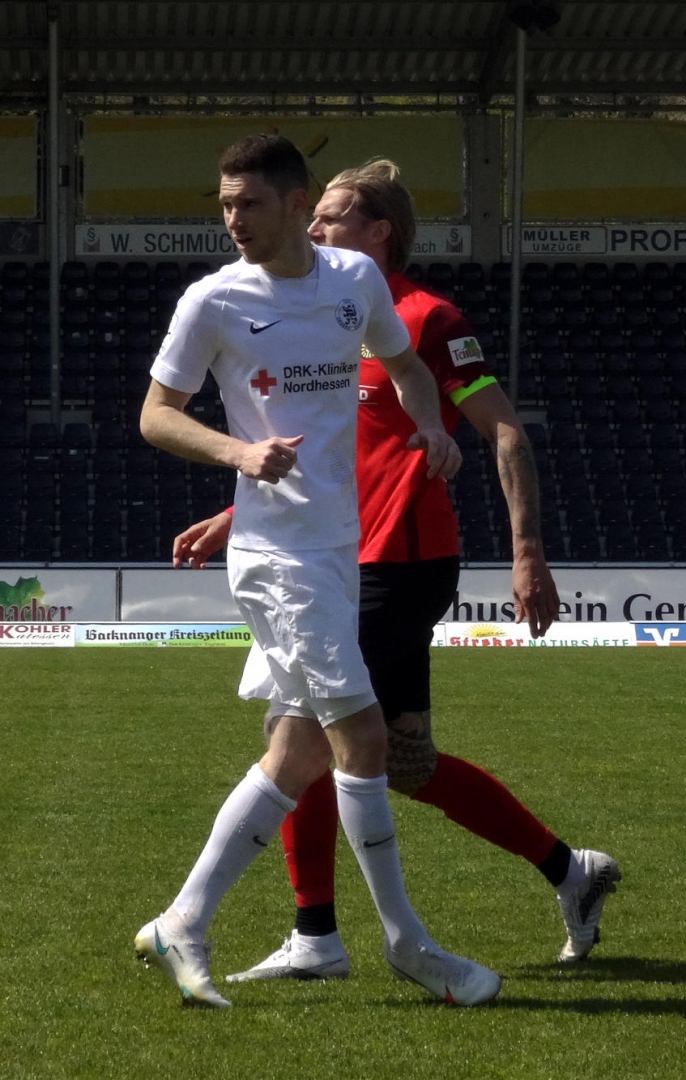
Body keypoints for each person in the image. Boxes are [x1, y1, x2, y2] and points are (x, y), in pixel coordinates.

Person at [172, 158, 621, 986]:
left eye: (333, 216)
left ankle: (315, 933)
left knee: (313, 738)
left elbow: (504, 431)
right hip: (336, 549)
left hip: (399, 561)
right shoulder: (319, 310)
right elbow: (337, 450)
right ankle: (567, 871)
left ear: (379, 231)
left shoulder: (425, 317)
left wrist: (527, 550)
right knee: (389, 758)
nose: (315, 227)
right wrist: (239, 512)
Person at [134, 133, 503, 1009]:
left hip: (340, 546)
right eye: (225, 205)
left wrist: (431, 424)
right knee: (364, 738)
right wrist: (239, 453)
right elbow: (155, 414)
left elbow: (406, 366)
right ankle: (409, 945)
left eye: (249, 203)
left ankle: (183, 921)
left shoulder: (354, 281)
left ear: (298, 205)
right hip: (277, 558)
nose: (233, 220)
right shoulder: (213, 299)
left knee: (296, 749)